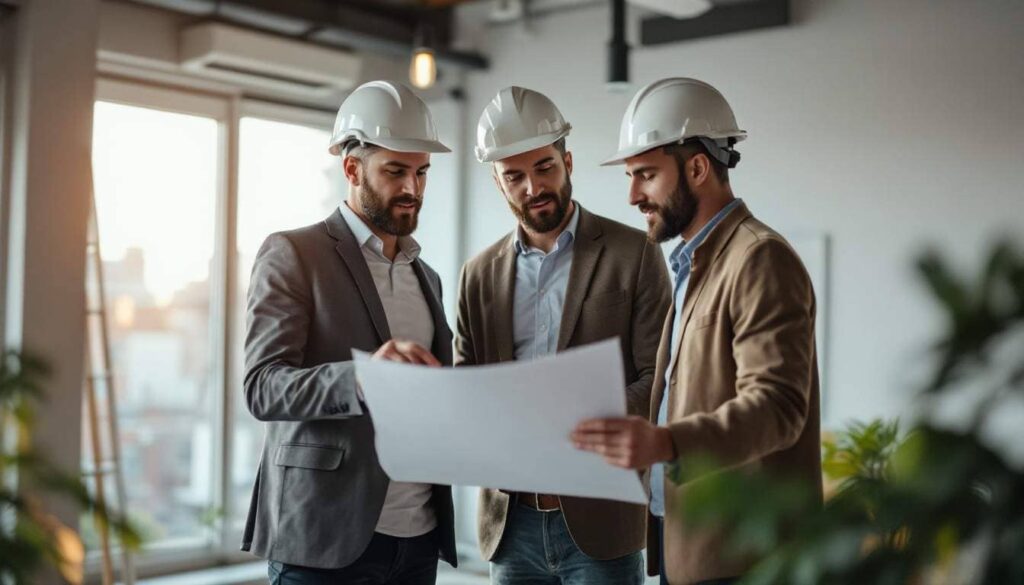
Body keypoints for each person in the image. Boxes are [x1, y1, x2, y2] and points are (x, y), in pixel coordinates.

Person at [572, 77, 823, 585]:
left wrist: (665, 442)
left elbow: (777, 408)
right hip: (688, 549)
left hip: (746, 560)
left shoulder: (759, 258)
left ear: (698, 168)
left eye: (645, 175)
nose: (632, 196)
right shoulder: (693, 264)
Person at [242, 80, 458, 585]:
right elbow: (262, 387)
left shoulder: (427, 277)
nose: (413, 188)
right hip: (324, 540)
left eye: (422, 172)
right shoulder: (294, 254)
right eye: (396, 171)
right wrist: (362, 377)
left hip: (418, 536)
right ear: (352, 168)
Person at [456, 86, 671, 585]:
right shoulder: (477, 274)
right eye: (515, 176)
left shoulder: (633, 252)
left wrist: (574, 427)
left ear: (567, 160)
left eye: (544, 167)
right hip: (510, 526)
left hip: (602, 522)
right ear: (498, 181)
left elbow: (656, 379)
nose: (533, 187)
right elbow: (469, 386)